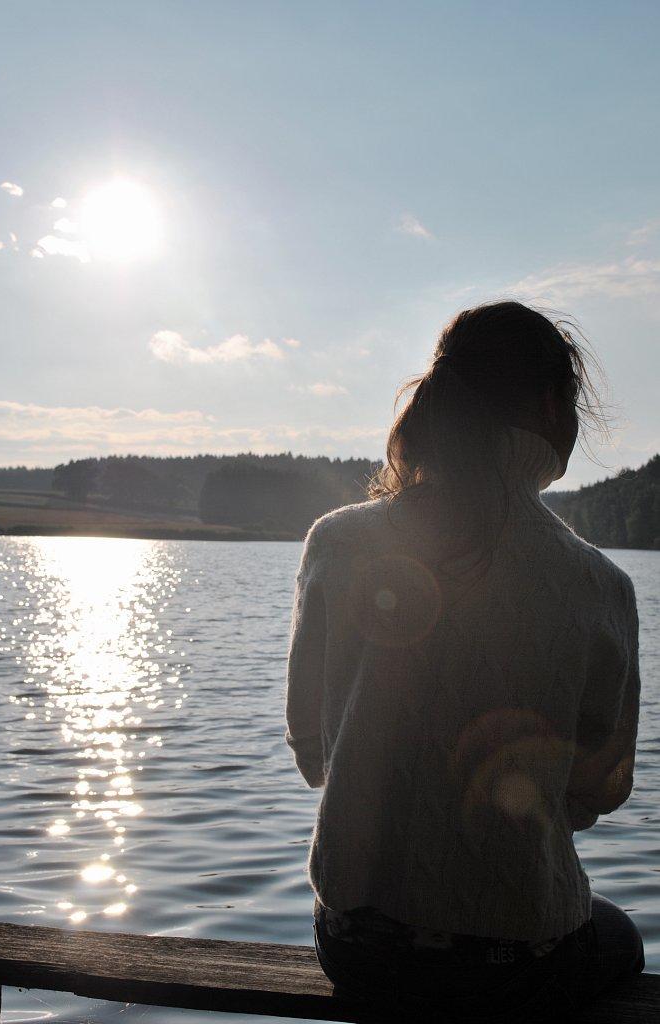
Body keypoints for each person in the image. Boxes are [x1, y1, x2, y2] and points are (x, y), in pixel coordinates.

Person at [284, 301, 644, 1023]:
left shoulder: (337, 542)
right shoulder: (599, 586)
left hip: (356, 945)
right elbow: (596, 792)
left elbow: (313, 755)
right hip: (510, 963)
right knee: (620, 938)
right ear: (551, 408)